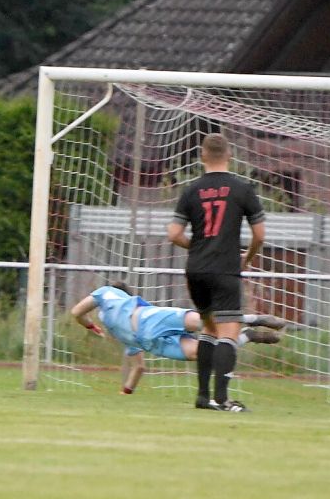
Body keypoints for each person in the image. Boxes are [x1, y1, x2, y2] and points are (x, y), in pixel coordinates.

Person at [166, 133, 266, 412]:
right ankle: (222, 400)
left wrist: (198, 247)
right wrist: (246, 258)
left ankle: (202, 397)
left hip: (196, 270)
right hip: (225, 268)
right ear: (229, 155)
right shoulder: (242, 189)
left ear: (202, 156)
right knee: (229, 333)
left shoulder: (191, 190)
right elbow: (260, 235)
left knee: (208, 329)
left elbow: (173, 234)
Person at [71, 282, 285, 395]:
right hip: (153, 341)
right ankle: (248, 334)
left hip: (150, 319)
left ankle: (253, 319)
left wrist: (89, 325)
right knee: (204, 352)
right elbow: (139, 368)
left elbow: (77, 312)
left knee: (202, 322)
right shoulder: (124, 338)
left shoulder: (105, 293)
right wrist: (125, 392)